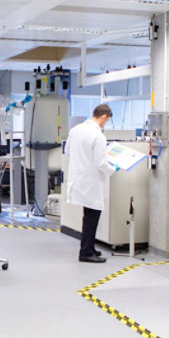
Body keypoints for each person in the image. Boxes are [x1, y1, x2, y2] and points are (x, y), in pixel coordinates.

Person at [65, 104, 117, 263]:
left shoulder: (75, 130)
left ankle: (89, 247)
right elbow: (101, 163)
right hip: (91, 183)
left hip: (78, 180)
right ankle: (86, 252)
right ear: (104, 117)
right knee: (92, 217)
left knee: (88, 216)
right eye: (106, 121)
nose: (105, 124)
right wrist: (113, 169)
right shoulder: (98, 135)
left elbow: (67, 151)